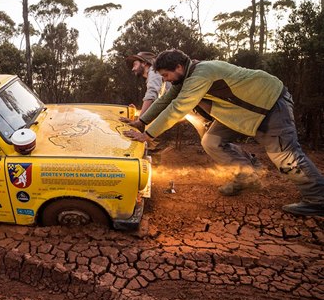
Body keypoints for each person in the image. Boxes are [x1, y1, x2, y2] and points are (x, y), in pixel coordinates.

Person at [123, 49, 324, 217]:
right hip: (238, 113)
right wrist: (141, 122)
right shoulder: (184, 78)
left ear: (179, 68)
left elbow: (178, 108)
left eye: (166, 75)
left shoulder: (202, 72)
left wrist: (148, 135)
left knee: (285, 156)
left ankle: (318, 199)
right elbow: (164, 101)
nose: (165, 80)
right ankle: (246, 176)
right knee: (211, 141)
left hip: (269, 102)